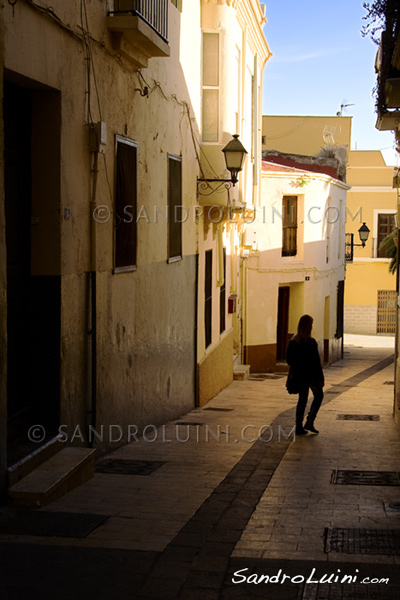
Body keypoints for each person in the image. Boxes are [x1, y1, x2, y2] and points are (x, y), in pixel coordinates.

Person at [286, 314, 324, 435]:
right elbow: (316, 362)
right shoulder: (311, 342)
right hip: (311, 375)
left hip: (299, 375)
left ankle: (298, 426)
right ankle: (310, 421)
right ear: (309, 327)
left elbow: (288, 360)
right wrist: (320, 378)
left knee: (302, 400)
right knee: (319, 396)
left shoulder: (293, 342)